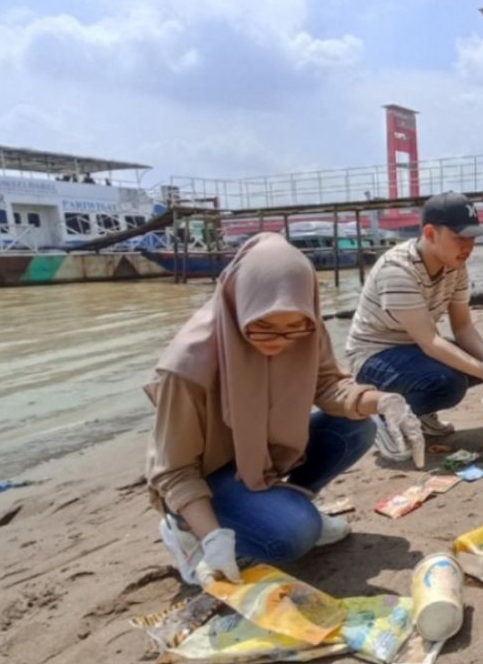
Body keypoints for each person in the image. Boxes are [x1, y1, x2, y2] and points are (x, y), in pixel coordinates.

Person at [144, 233, 424, 585]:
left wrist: (384, 401)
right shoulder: (187, 366)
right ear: (239, 303)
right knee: (293, 535)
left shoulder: (306, 330)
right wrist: (213, 539)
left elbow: (327, 385)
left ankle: (279, 504)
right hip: (204, 474)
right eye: (263, 326)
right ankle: (188, 530)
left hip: (260, 453)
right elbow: (175, 471)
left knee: (358, 427)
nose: (280, 341)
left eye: (295, 328)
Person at [346, 191, 483, 442]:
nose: (468, 247)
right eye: (460, 237)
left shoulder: (455, 265)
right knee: (448, 384)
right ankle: (383, 420)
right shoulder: (397, 270)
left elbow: (462, 326)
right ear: (430, 234)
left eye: (472, 238)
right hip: (373, 357)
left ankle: (420, 412)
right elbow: (430, 342)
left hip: (413, 348)